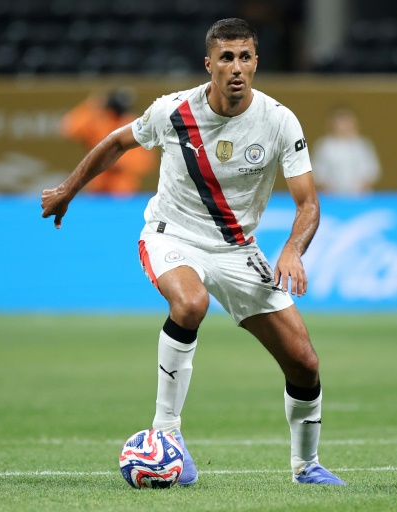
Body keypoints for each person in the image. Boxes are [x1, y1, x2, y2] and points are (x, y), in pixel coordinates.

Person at [41, 18, 345, 486]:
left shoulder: (279, 121)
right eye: (226, 58)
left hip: (238, 249)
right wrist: (67, 190)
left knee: (304, 362)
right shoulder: (173, 111)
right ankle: (167, 433)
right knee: (190, 303)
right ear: (209, 64)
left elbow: (308, 203)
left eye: (245, 57)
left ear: (256, 62)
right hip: (172, 235)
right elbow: (117, 142)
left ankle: (306, 467)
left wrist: (292, 250)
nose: (236, 67)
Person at [60, 88, 156, 195]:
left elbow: (146, 163)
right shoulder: (99, 122)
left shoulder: (134, 125)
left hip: (123, 189)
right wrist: (92, 105)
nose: (119, 115)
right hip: (97, 184)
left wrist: (120, 163)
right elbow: (69, 129)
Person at [312, 107, 380, 195]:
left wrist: (360, 188)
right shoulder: (324, 145)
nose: (344, 124)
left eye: (347, 120)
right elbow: (317, 173)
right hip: (330, 197)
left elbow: (372, 171)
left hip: (360, 197)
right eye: (340, 120)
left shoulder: (363, 145)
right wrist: (329, 189)